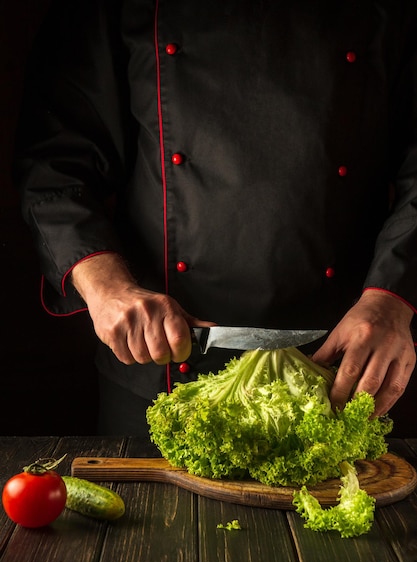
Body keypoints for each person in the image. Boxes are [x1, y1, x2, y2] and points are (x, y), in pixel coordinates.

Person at [14, 0, 417, 435]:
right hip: (161, 366)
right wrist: (107, 288)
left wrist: (391, 299)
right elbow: (54, 165)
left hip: (352, 362)